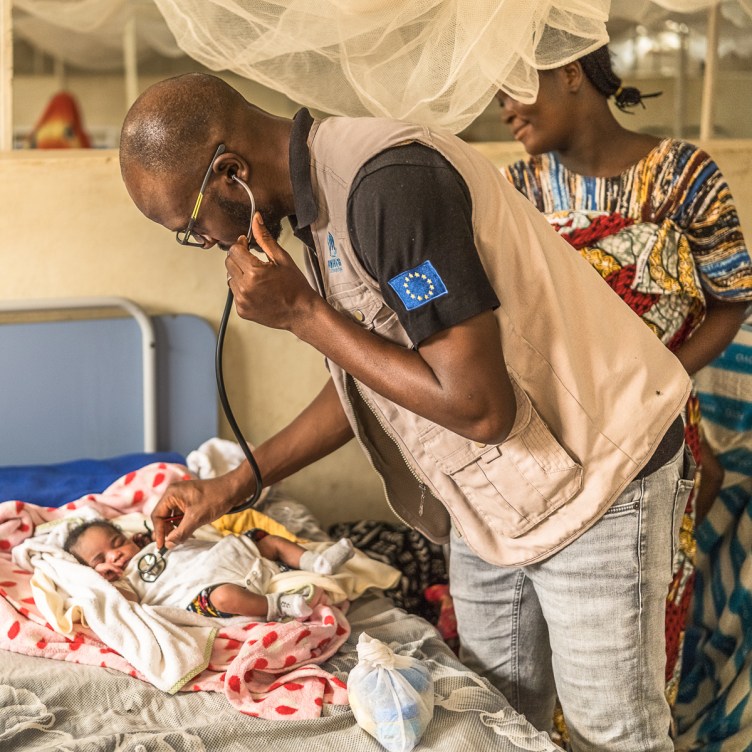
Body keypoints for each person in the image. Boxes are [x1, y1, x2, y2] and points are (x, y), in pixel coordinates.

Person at [119, 72, 694, 751]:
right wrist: (232, 486)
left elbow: (480, 408)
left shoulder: (388, 186)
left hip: (597, 476)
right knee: (494, 719)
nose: (209, 244)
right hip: (498, 493)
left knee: (612, 736)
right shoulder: (315, 211)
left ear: (230, 174)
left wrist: (304, 314)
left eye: (189, 227)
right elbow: (373, 376)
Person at [497, 45, 752, 707]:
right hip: (558, 436)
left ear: (570, 72)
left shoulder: (681, 176)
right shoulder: (520, 190)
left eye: (514, 90)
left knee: (639, 627)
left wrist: (662, 376)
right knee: (557, 625)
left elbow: (731, 297)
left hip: (652, 431)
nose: (505, 111)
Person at [64, 518, 355, 621]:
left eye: (116, 543)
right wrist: (107, 583)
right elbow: (126, 605)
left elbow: (187, 534)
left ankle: (317, 562)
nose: (115, 555)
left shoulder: (156, 542)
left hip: (237, 558)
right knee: (224, 597)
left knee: (265, 539)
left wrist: (167, 532)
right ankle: (278, 605)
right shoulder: (127, 583)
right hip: (212, 589)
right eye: (100, 559)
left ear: (130, 538)